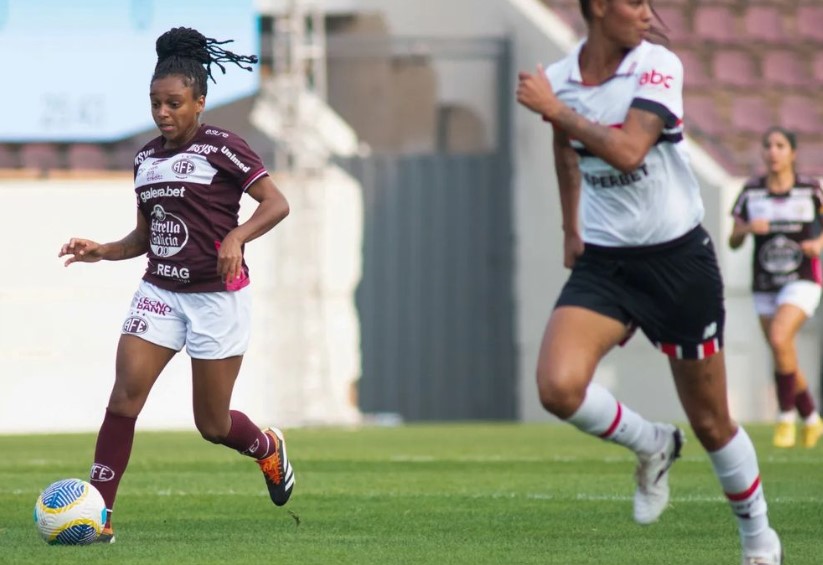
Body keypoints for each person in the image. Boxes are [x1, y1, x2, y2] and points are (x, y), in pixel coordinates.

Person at [515, 1, 782, 563]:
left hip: (678, 261)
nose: (646, 12)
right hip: (607, 262)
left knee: (711, 421)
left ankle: (758, 536)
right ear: (599, 8)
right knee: (557, 387)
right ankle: (652, 443)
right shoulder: (561, 79)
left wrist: (556, 111)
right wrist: (571, 226)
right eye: (634, 1)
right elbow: (565, 149)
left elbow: (630, 149)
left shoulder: (658, 65)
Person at [58, 27, 295, 543]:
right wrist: (103, 249)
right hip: (160, 292)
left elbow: (276, 203)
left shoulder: (223, 147)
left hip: (217, 297)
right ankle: (99, 516)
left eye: (174, 103)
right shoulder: (145, 159)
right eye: (155, 103)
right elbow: (145, 237)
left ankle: (266, 448)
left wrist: (236, 235)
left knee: (212, 424)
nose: (163, 112)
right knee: (124, 397)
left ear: (200, 101)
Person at [729, 126, 823, 449]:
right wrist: (746, 229)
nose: (773, 151)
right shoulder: (751, 192)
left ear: (793, 153)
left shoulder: (811, 189)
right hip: (764, 284)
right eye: (767, 145)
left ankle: (785, 417)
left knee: (781, 338)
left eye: (780, 145)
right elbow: (733, 240)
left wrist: (818, 242)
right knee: (782, 352)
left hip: (801, 281)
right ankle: (811, 417)